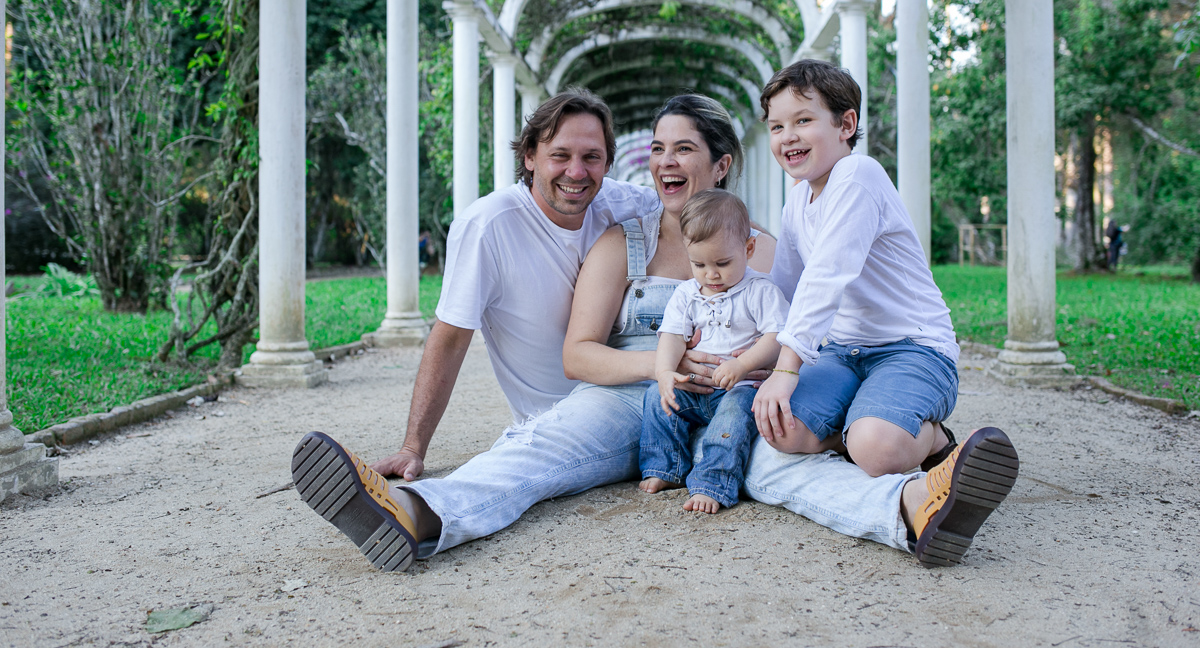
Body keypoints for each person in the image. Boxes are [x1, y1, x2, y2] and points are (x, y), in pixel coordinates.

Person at [292, 92, 1018, 573]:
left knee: (779, 470)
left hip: (734, 394)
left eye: (685, 151)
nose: (667, 162)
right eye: (658, 151)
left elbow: (805, 332)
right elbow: (580, 353)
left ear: (722, 166)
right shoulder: (625, 237)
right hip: (634, 394)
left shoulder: (766, 247)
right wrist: (661, 373)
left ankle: (912, 509)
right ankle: (416, 515)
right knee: (541, 451)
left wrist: (759, 381)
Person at [752, 59, 962, 480]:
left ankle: (935, 440)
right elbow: (786, 288)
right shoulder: (797, 200)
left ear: (846, 124)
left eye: (803, 120)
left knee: (876, 451)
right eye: (776, 127)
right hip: (843, 352)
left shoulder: (858, 174)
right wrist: (754, 350)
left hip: (913, 347)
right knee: (780, 429)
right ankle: (863, 415)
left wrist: (788, 367)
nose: (787, 136)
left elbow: (826, 275)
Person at [639, 189, 789, 513]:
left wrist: (743, 365)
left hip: (739, 387)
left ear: (748, 249)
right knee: (656, 397)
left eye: (723, 263)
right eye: (700, 264)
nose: (712, 274)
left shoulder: (759, 290)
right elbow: (672, 336)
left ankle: (713, 482)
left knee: (733, 419)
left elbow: (777, 335)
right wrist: (665, 372)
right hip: (698, 388)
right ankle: (665, 467)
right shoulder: (686, 294)